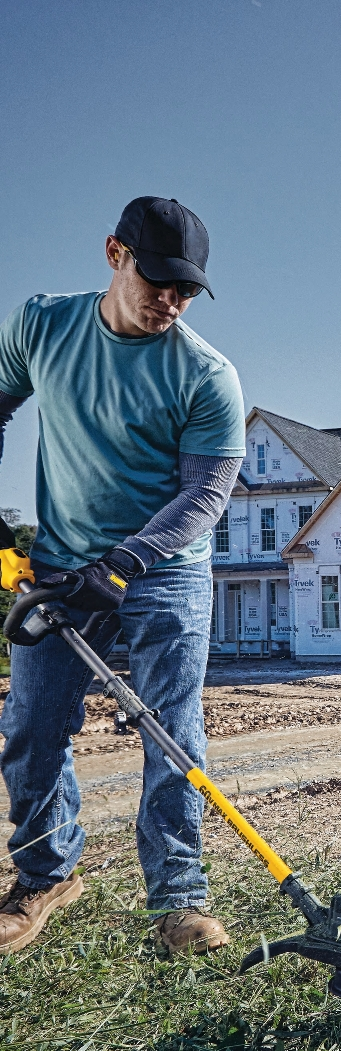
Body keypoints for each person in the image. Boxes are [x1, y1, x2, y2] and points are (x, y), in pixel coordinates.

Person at [0, 197, 245, 956]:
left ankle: (177, 900)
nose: (168, 301)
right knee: (34, 726)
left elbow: (205, 495)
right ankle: (45, 877)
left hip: (163, 570)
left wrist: (122, 566)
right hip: (60, 560)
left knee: (172, 729)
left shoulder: (206, 376)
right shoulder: (43, 325)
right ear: (115, 254)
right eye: (157, 280)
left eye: (186, 291)